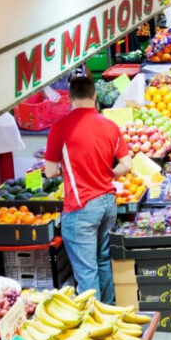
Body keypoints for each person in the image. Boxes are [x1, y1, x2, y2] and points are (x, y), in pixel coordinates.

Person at [44, 75, 133, 302]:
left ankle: (94, 325)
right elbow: (127, 164)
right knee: (103, 261)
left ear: (71, 98)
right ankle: (109, 313)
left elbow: (50, 172)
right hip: (107, 203)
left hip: (80, 206)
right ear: (94, 96)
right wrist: (106, 174)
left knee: (86, 271)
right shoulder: (110, 125)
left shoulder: (60, 127)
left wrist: (72, 169)